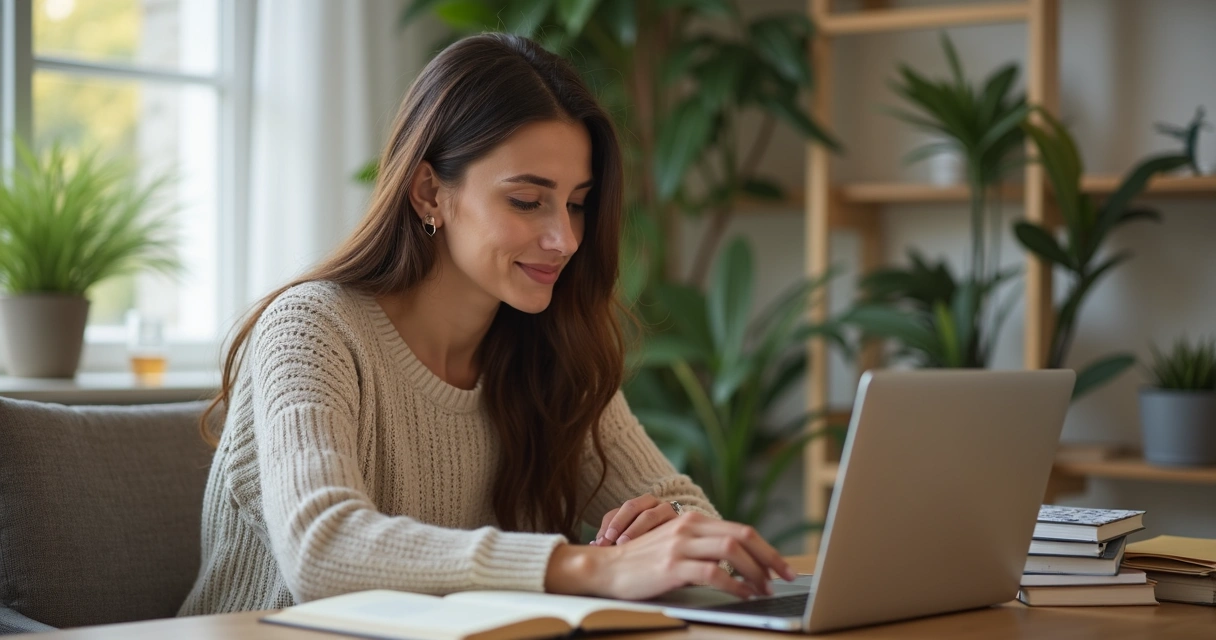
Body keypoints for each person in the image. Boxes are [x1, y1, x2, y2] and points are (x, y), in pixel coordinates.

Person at [178, 32, 794, 617]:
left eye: (577, 203)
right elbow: (323, 549)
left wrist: (667, 530)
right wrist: (590, 569)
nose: (566, 238)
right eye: (527, 201)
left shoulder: (546, 348)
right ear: (428, 193)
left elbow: (690, 512)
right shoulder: (312, 328)